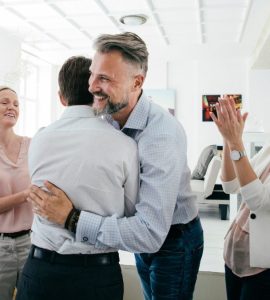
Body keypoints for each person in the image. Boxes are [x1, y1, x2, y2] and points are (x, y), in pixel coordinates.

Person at [29, 32, 204, 300]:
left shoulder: (161, 136)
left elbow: (148, 233)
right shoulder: (108, 116)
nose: (91, 87)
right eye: (92, 75)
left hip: (174, 240)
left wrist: (71, 218)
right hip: (142, 238)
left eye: (105, 79)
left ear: (137, 82)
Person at [16, 56, 139, 300]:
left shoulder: (39, 139)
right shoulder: (125, 145)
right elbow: (130, 214)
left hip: (40, 270)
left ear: (62, 97)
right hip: (97, 275)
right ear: (97, 92)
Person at [210, 96, 270, 300]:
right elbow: (231, 184)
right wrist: (228, 140)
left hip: (263, 268)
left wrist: (236, 141)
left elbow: (258, 202)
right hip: (235, 257)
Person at [0, 86, 32, 300]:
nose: (12, 107)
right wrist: (25, 195)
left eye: (16, 104)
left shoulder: (32, 145)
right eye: (4, 102)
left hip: (31, 243)